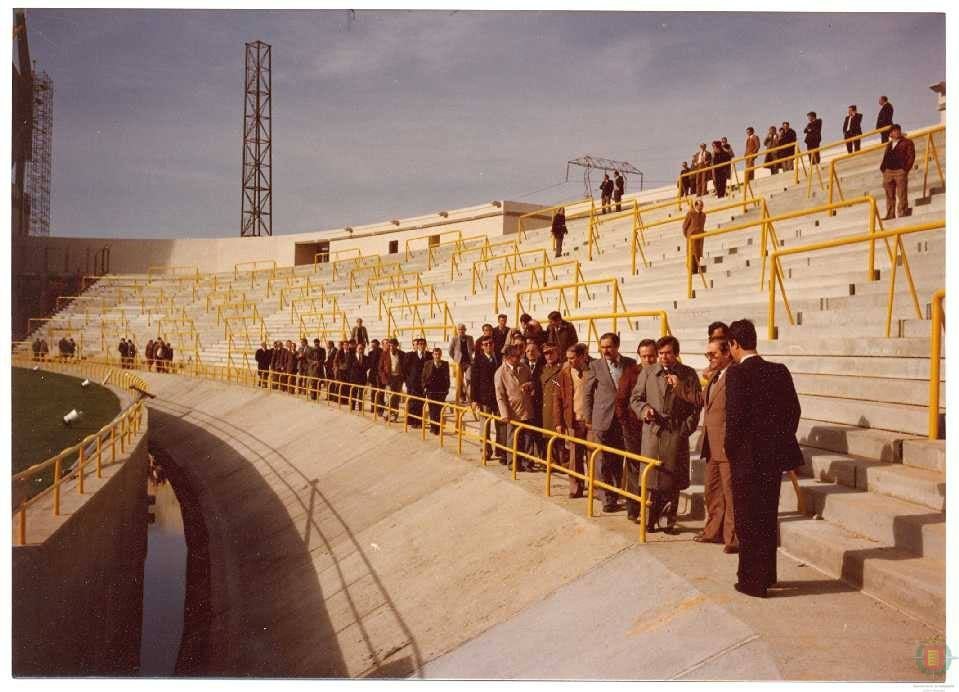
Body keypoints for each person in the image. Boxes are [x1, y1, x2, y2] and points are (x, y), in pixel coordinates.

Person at [724, 319, 803, 598]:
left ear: (734, 344)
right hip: (772, 459)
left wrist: (733, 451)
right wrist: (777, 442)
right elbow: (794, 411)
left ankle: (752, 582)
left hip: (747, 460)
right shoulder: (779, 371)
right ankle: (768, 574)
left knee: (747, 520)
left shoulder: (736, 375)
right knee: (768, 517)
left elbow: (733, 421)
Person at [629, 335, 703, 534]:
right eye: (661, 353)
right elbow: (635, 399)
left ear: (676, 354)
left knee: (672, 481)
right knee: (652, 480)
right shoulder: (648, 372)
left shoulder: (688, 374)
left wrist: (685, 429)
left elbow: (696, 405)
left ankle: (669, 521)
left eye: (668, 353)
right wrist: (644, 411)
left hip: (676, 433)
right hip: (653, 433)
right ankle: (650, 519)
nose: (664, 357)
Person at [584, 333, 637, 513]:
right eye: (602, 347)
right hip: (602, 419)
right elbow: (588, 393)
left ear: (617, 346)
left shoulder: (630, 363)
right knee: (602, 459)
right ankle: (606, 498)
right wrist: (589, 418)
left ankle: (615, 493)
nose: (605, 350)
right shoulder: (595, 366)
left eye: (609, 347)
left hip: (623, 419)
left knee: (618, 458)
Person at [695, 336, 739, 553]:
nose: (709, 358)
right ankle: (712, 531)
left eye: (713, 354)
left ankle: (733, 538)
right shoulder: (714, 377)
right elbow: (700, 400)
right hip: (711, 444)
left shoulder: (735, 375)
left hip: (727, 445)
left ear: (727, 353)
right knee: (712, 491)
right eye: (707, 354)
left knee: (730, 494)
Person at [618, 338, 657, 521]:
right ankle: (634, 508)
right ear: (638, 356)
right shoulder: (631, 373)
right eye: (644, 356)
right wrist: (626, 424)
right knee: (634, 470)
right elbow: (621, 400)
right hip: (634, 430)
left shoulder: (663, 374)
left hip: (655, 431)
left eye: (651, 356)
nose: (648, 360)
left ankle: (651, 511)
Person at [554, 343, 591, 497]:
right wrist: (558, 422)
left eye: (573, 358)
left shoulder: (592, 371)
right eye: (568, 358)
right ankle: (576, 488)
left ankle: (595, 487)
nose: (570, 361)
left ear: (583, 356)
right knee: (574, 457)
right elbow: (557, 399)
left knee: (592, 455)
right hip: (573, 420)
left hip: (590, 421)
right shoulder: (563, 374)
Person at [494, 344, 535, 470]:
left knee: (528, 438)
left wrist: (530, 385)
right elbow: (500, 395)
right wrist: (504, 414)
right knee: (513, 438)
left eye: (519, 356)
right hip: (512, 411)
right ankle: (513, 463)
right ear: (507, 357)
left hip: (526, 408)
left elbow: (532, 382)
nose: (518, 358)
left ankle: (527, 463)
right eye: (515, 356)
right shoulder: (500, 372)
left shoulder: (524, 368)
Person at [471, 337, 503, 460]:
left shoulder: (499, 358)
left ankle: (500, 450)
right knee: (485, 426)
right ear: (482, 347)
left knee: (501, 425)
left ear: (494, 344)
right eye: (486, 344)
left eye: (490, 343)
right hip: (484, 398)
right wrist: (474, 399)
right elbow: (474, 381)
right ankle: (485, 450)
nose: (488, 346)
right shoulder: (478, 360)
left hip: (498, 397)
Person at [879, 124, 915, 220]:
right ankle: (890, 214)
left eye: (898, 130)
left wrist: (905, 169)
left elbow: (911, 156)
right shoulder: (889, 144)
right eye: (894, 131)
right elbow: (885, 156)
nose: (897, 132)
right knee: (889, 194)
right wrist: (883, 168)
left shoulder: (907, 142)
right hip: (888, 172)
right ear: (890, 134)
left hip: (900, 171)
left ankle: (902, 212)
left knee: (902, 193)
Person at [523, 342, 546, 458]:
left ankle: (542, 458)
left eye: (533, 350)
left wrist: (534, 385)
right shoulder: (521, 366)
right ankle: (528, 458)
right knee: (527, 434)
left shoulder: (544, 366)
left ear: (538, 352)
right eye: (528, 351)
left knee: (539, 433)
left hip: (539, 404)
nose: (531, 353)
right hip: (526, 405)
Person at [422, 347, 451, 435]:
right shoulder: (428, 363)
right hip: (431, 390)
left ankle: (437, 427)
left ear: (441, 355)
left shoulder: (445, 364)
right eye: (435, 354)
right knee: (432, 409)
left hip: (441, 391)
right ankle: (433, 427)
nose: (437, 356)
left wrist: (447, 389)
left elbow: (447, 377)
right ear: (432, 355)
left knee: (439, 410)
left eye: (438, 354)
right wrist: (424, 387)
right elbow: (423, 376)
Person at [378, 337, 406, 421]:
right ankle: (386, 413)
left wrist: (403, 378)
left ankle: (394, 415)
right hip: (389, 378)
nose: (391, 347)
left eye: (393, 345)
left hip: (398, 378)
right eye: (390, 345)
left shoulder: (401, 354)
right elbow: (380, 368)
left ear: (397, 346)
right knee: (390, 397)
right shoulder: (384, 354)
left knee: (396, 398)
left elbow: (404, 367)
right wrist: (384, 378)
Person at [405, 337, 430, 427]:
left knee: (421, 403)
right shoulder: (410, 355)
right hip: (413, 384)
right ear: (417, 345)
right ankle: (412, 421)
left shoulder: (429, 355)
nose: (422, 346)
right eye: (420, 344)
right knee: (413, 403)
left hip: (423, 384)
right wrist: (408, 383)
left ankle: (419, 422)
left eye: (424, 344)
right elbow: (405, 370)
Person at [448, 324, 474, 405]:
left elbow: (472, 349)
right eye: (459, 329)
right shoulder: (454, 339)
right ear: (457, 331)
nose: (461, 331)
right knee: (459, 381)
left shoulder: (470, 338)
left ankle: (470, 397)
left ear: (465, 330)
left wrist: (470, 355)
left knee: (469, 379)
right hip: (458, 363)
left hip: (468, 362)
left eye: (462, 329)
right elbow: (450, 351)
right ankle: (461, 397)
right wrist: (456, 358)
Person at [683, 199, 707, 275]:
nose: (701, 207)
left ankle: (696, 270)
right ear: (696, 205)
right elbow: (684, 226)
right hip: (692, 238)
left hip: (699, 238)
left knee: (698, 254)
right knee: (691, 254)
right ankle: (691, 271)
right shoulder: (690, 213)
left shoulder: (703, 215)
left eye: (702, 206)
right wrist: (688, 235)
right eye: (700, 206)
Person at [347, 342, 370, 411]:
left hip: (362, 378)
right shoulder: (351, 357)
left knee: (361, 394)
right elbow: (349, 367)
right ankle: (352, 407)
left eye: (362, 348)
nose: (361, 350)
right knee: (353, 393)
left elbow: (367, 367)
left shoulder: (366, 358)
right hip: (353, 378)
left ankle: (360, 408)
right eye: (359, 348)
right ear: (356, 349)